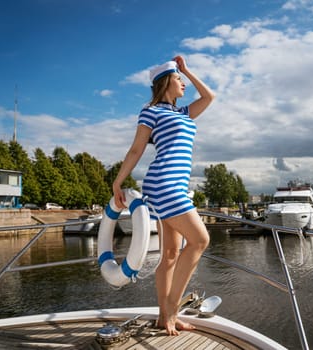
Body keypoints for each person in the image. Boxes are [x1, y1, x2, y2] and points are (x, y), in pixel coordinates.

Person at [112, 55, 215, 335]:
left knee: (171, 254)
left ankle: (163, 316)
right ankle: (172, 310)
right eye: (179, 79)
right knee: (201, 239)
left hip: (177, 185)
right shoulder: (150, 112)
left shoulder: (183, 113)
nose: (184, 83)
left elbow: (210, 96)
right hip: (163, 183)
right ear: (166, 81)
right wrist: (117, 182)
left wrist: (188, 70)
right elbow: (136, 150)